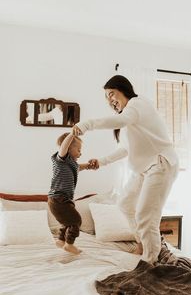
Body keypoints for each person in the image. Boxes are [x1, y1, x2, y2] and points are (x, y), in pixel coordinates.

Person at [73, 75, 179, 264]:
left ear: (124, 90)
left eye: (111, 94)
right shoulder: (129, 118)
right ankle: (143, 243)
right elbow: (126, 150)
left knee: (146, 217)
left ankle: (149, 262)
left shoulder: (137, 104)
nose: (110, 100)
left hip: (160, 164)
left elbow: (120, 121)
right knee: (125, 204)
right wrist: (102, 161)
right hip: (145, 169)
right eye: (107, 97)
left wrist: (87, 124)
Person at [48, 130, 90, 255]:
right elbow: (64, 146)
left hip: (62, 199)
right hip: (59, 199)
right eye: (78, 150)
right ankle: (69, 244)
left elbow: (78, 168)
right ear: (68, 149)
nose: (80, 153)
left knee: (67, 221)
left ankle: (61, 241)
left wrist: (88, 166)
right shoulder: (61, 159)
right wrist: (73, 134)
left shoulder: (71, 163)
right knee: (76, 221)